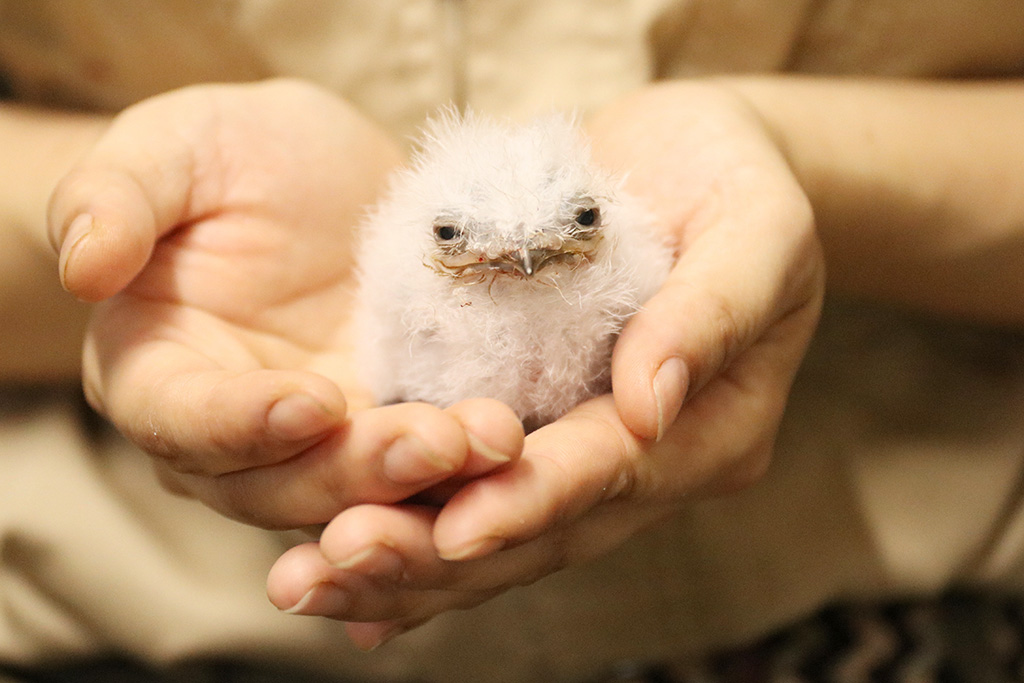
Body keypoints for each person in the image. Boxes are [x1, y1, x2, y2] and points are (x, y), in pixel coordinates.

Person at [3, 1, 1024, 681]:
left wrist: (800, 164)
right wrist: (151, 248)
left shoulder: (613, 248)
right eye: (468, 245)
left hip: (927, 619)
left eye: (564, 238)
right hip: (126, 630)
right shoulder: (413, 264)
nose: (527, 264)